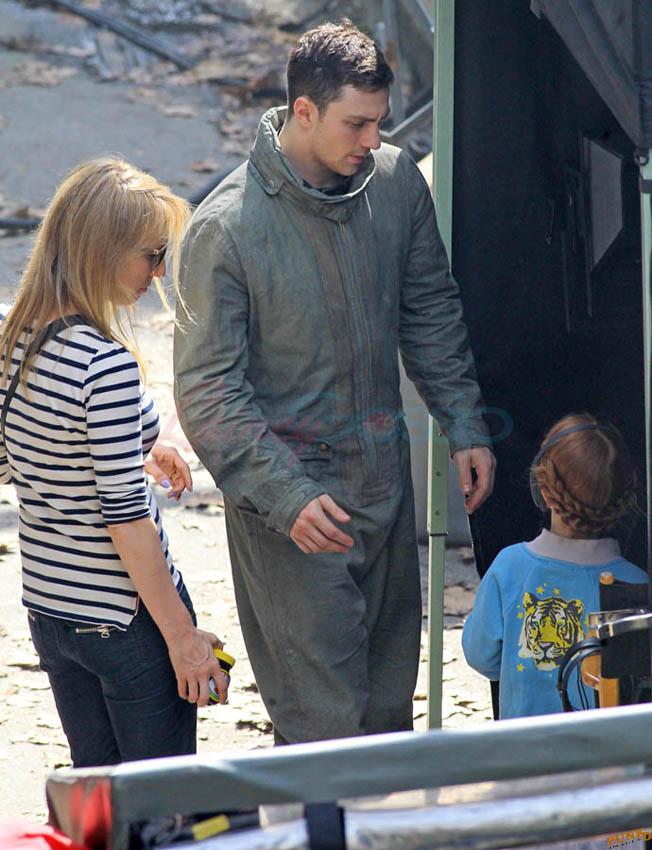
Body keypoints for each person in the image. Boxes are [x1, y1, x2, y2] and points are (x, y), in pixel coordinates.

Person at [174, 19, 495, 744]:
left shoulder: (395, 182)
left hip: (384, 489)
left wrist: (464, 420)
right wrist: (286, 497)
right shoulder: (226, 228)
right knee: (322, 728)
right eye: (357, 124)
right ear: (304, 111)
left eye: (381, 122)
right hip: (292, 512)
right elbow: (207, 393)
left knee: (385, 715)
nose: (373, 141)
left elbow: (430, 309)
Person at [0, 157, 228, 768]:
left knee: (98, 795)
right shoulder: (105, 364)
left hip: (50, 609)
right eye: (152, 255)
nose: (159, 272)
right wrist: (182, 637)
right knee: (160, 799)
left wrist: (139, 442)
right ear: (101, 251)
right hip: (123, 619)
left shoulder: (13, 336)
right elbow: (126, 519)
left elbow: (11, 458)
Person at [462, 412, 646, 719]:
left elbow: (481, 657)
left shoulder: (509, 567)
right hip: (609, 749)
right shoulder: (636, 581)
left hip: (526, 748)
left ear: (543, 492)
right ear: (624, 499)